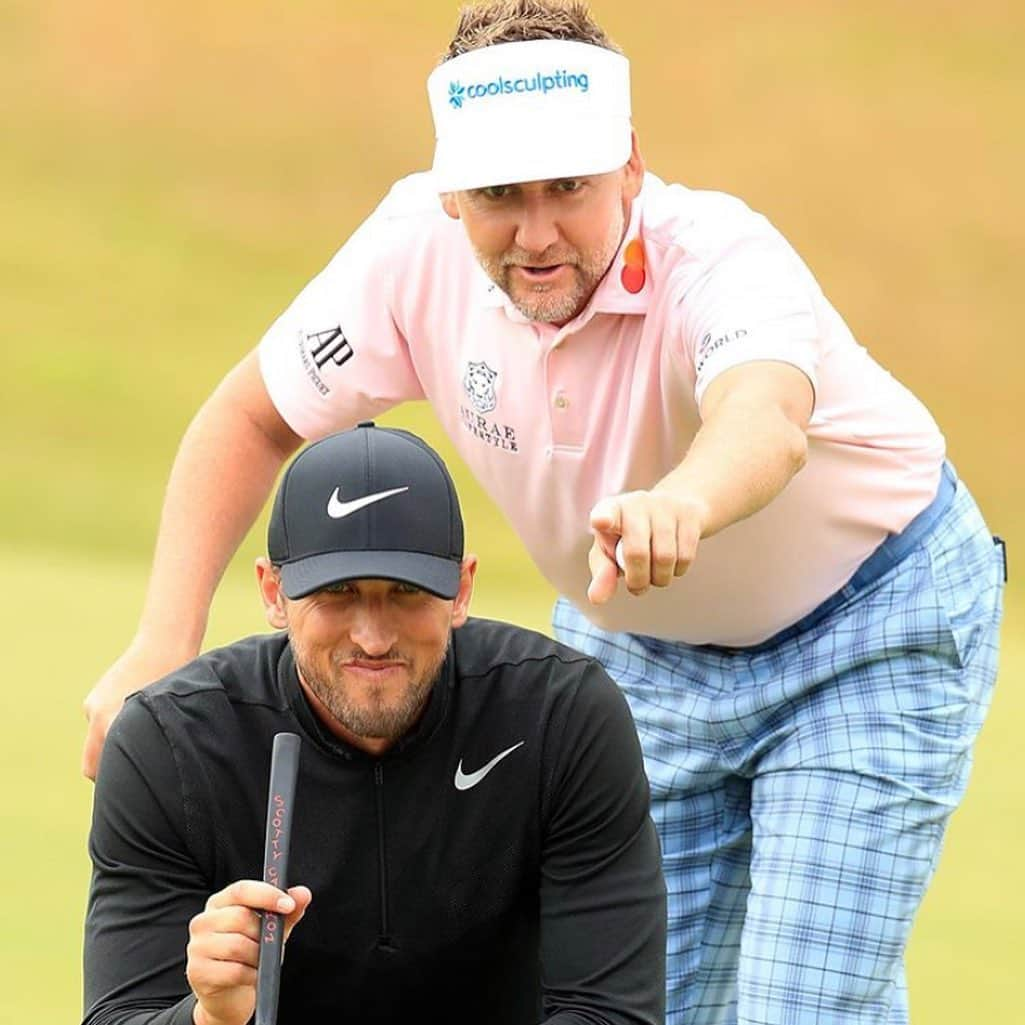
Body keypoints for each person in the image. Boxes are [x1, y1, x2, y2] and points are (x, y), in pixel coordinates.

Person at [82, 1, 1007, 1022]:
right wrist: (158, 644)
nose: (534, 235)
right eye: (497, 196)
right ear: (449, 197)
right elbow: (251, 418)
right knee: (632, 1004)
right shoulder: (405, 260)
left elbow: (767, 414)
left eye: (567, 186)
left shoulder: (719, 255)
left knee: (801, 1002)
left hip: (862, 625)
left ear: (628, 166)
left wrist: (682, 499)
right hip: (639, 657)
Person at [83, 423, 667, 1025]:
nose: (373, 636)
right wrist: (209, 1018)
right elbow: (120, 1015)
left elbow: (611, 1014)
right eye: (337, 592)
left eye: (406, 593)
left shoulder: (559, 717)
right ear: (274, 591)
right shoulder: (170, 743)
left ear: (461, 590)